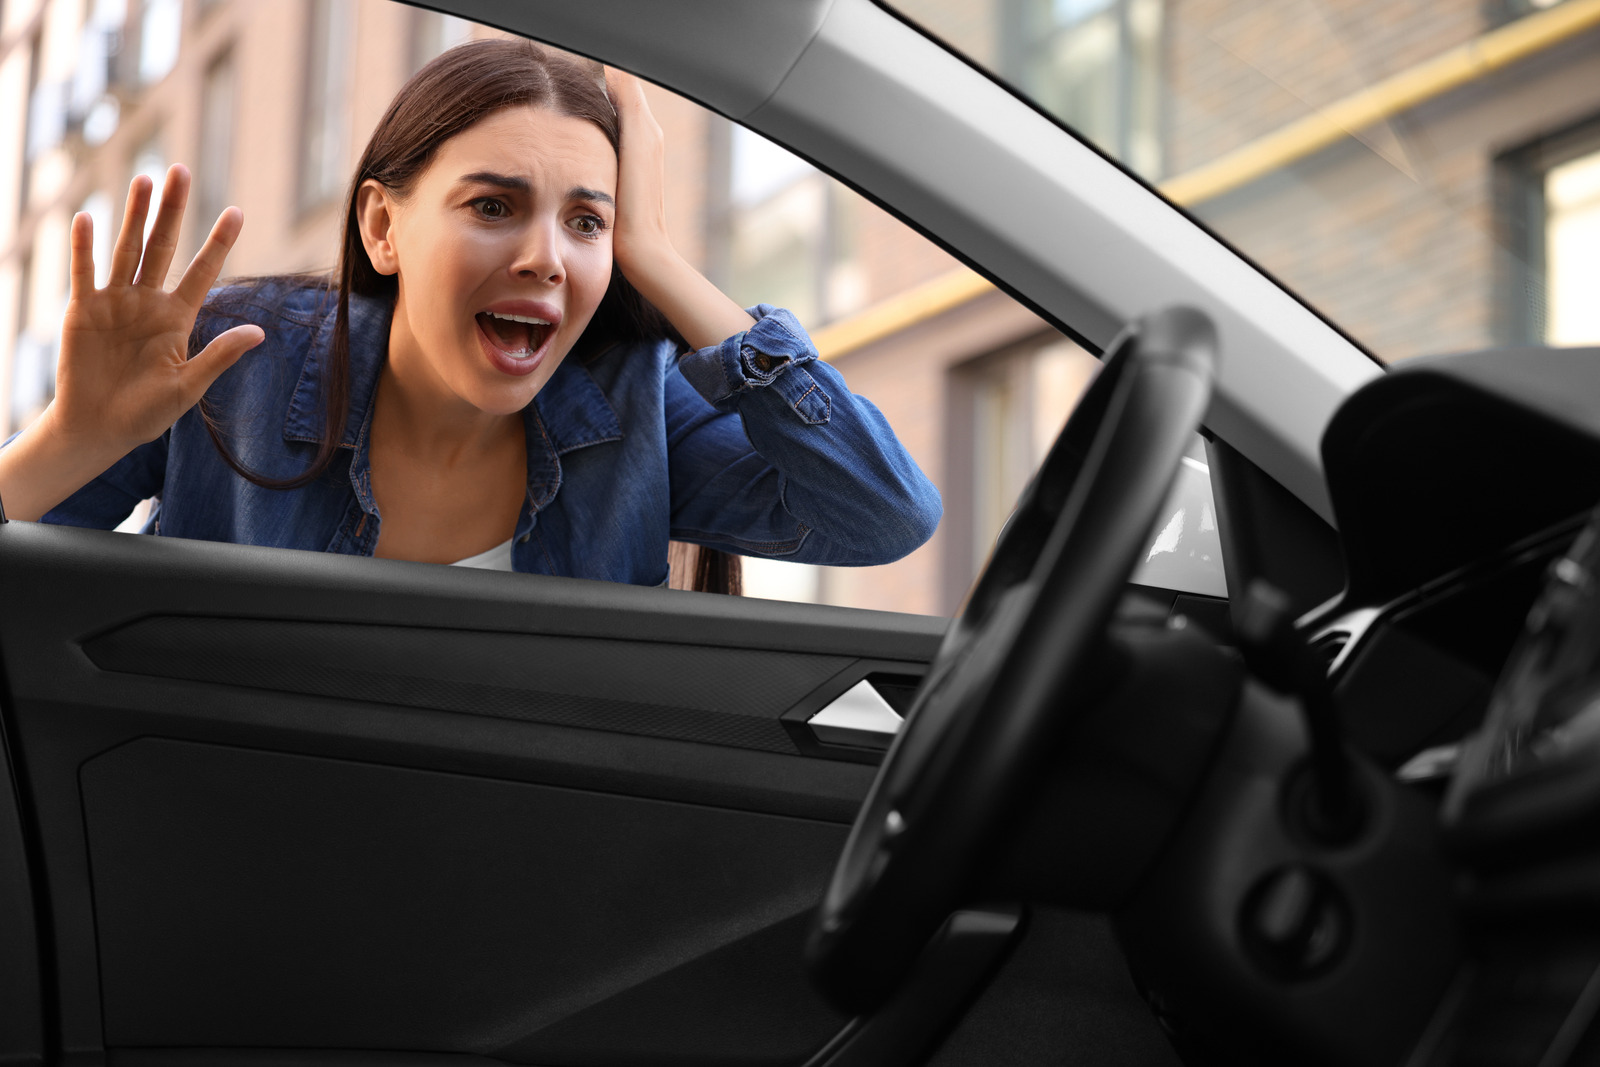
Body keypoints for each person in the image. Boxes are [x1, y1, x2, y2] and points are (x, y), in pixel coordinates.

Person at [0, 39, 940, 593]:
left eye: (587, 222)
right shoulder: (233, 357)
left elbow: (884, 515)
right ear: (383, 226)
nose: (544, 256)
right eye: (492, 206)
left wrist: (653, 257)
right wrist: (71, 439)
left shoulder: (634, 405)